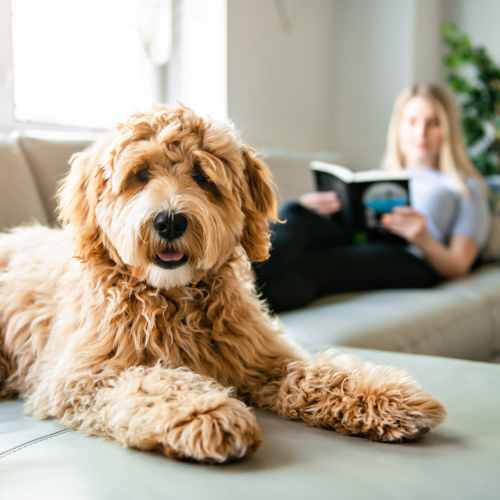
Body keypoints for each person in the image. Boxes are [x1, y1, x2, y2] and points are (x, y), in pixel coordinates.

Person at [254, 83, 491, 313]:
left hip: (413, 258)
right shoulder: (386, 176)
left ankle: (242, 301)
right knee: (295, 212)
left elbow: (459, 265)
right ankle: (237, 276)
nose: (421, 133)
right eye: (412, 122)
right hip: (363, 238)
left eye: (434, 123)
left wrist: (423, 238)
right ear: (399, 128)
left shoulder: (465, 186)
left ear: (448, 130)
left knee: (319, 266)